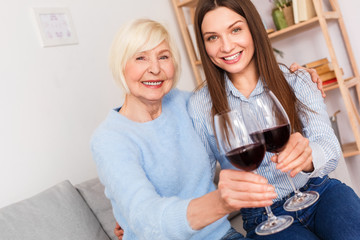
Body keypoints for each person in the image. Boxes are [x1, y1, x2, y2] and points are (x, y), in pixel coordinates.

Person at [91, 18, 279, 240]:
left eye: (163, 57)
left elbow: (238, 102)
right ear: (120, 65)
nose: (155, 69)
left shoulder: (188, 104)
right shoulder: (109, 139)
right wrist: (220, 202)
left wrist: (295, 78)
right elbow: (146, 220)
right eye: (141, 58)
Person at [187, 0, 360, 239]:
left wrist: (309, 158)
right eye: (212, 37)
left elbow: (329, 147)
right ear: (203, 45)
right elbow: (197, 185)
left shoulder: (296, 80)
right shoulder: (199, 106)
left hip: (320, 192)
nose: (226, 46)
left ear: (253, 29)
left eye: (235, 29)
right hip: (264, 216)